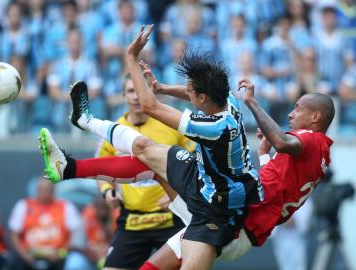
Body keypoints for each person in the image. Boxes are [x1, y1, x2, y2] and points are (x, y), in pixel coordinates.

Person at [41, 76, 335, 270]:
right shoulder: (317, 153)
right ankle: (72, 159)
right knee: (150, 159)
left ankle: (82, 132)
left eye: (297, 108)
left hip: (231, 220)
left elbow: (282, 141)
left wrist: (253, 103)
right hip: (227, 214)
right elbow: (277, 180)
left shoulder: (308, 138)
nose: (291, 113)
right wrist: (263, 152)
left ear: (316, 117)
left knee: (147, 151)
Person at [40, 25, 264, 269]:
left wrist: (131, 58)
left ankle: (80, 133)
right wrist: (162, 88)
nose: (187, 93)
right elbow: (189, 93)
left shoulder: (214, 126)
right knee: (144, 147)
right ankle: (76, 142)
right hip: (201, 178)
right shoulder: (226, 100)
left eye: (190, 92)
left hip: (215, 209)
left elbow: (150, 107)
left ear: (201, 99)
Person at [94, 74, 193, 269]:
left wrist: (180, 192)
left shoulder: (170, 123)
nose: (137, 96)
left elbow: (195, 163)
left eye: (141, 91)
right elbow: (100, 164)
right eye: (131, 91)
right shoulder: (113, 130)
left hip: (173, 218)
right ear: (123, 95)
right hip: (133, 220)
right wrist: (107, 190)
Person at [8, 177, 88, 270]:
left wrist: (60, 253)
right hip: (30, 254)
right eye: (42, 190)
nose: (45, 193)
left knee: (75, 263)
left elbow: (74, 234)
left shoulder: (65, 206)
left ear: (53, 190)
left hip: (56, 254)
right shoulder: (23, 205)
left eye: (48, 190)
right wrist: (25, 255)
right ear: (37, 190)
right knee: (13, 262)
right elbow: (14, 234)